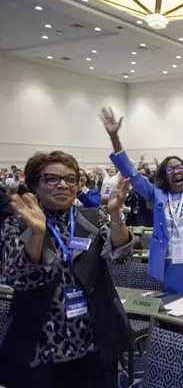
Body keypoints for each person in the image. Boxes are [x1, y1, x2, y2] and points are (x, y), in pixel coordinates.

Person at [0, 151, 133, 388]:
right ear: (34, 184)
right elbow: (19, 278)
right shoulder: (17, 223)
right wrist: (37, 234)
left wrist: (115, 214)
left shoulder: (92, 217)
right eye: (52, 178)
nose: (63, 185)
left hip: (95, 343)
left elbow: (120, 255)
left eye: (71, 179)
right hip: (40, 351)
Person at [101, 97, 183, 294]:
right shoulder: (156, 194)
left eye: (180, 167)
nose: (176, 171)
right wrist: (115, 138)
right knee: (175, 307)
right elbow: (132, 174)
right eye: (170, 168)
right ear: (163, 176)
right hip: (170, 260)